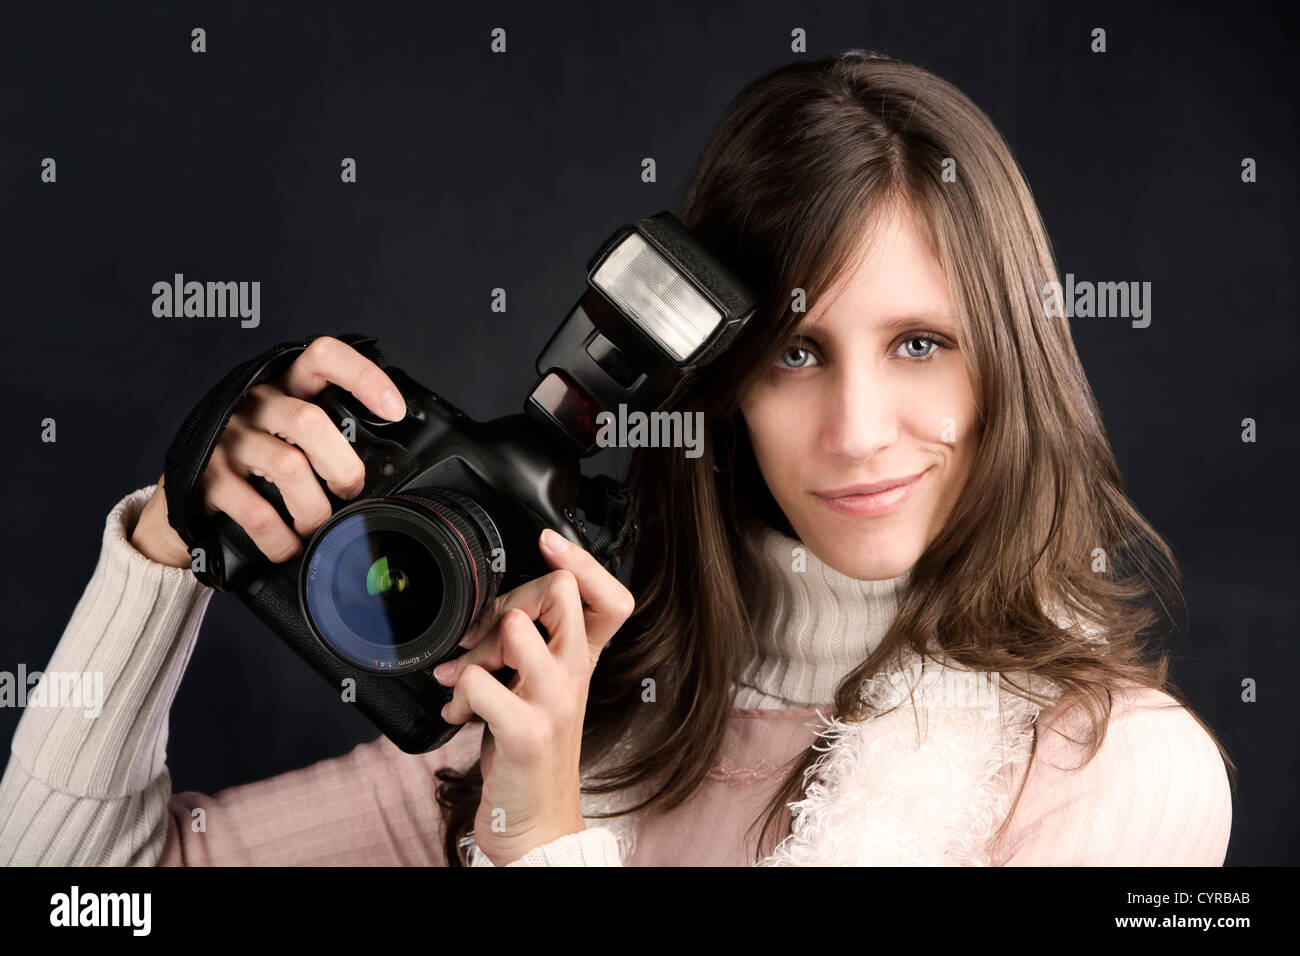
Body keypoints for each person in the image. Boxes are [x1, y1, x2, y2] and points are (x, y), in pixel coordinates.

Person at [0, 48, 1234, 868]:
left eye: (919, 342)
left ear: (1009, 359)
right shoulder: (573, 707)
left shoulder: (1114, 766)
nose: (858, 428)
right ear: (718, 381)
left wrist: (537, 831)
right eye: (797, 354)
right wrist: (173, 543)